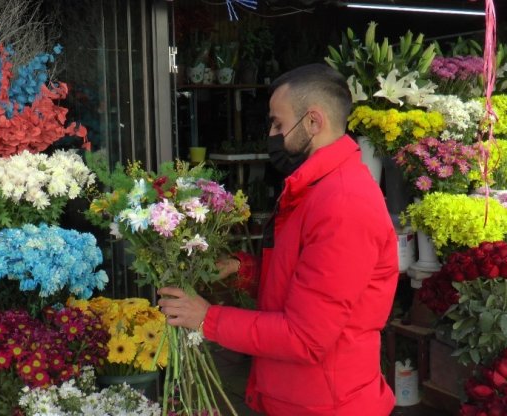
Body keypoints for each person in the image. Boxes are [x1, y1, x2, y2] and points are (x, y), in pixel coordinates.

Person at [158, 63, 399, 416]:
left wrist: (206, 318)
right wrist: (241, 270)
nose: (272, 133)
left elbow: (305, 336)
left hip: (327, 404)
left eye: (278, 123)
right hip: (301, 396)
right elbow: (303, 286)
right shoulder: (316, 188)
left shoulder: (343, 202)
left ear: (314, 122)